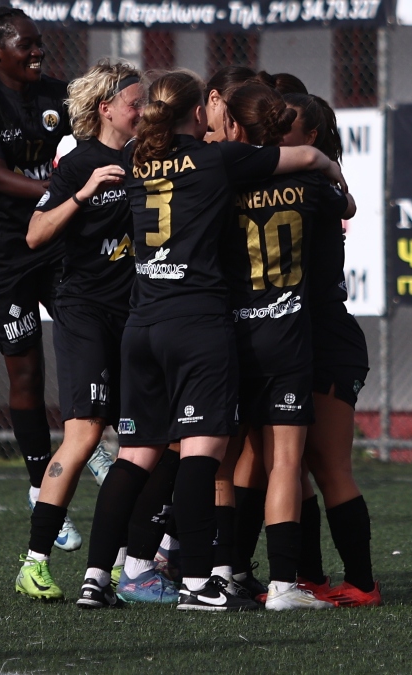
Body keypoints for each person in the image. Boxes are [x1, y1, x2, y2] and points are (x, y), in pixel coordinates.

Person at [73, 69, 347, 611]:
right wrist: (330, 167)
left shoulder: (135, 157)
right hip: (196, 324)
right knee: (203, 454)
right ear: (198, 112)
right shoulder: (216, 158)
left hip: (141, 324)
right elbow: (303, 159)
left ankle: (96, 578)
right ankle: (200, 583)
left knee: (135, 455)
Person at [0, 6, 82, 550]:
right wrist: (68, 193)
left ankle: (91, 438)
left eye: (38, 42)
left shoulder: (58, 95)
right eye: (25, 44)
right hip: (2, 254)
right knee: (26, 372)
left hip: (56, 244)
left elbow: (88, 147)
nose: (37, 51)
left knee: (87, 340)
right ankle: (38, 485)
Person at [221, 84, 355, 611]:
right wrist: (326, 169)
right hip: (287, 334)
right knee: (285, 462)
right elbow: (346, 205)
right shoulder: (309, 182)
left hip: (232, 334)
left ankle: (223, 572)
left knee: (230, 460)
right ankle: (283, 584)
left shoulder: (221, 173)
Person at [12, 61, 143, 600]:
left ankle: (124, 564)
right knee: (85, 432)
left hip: (136, 314)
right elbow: (35, 234)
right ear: (106, 108)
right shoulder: (79, 163)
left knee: (140, 438)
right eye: (135, 103)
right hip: (84, 311)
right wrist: (83, 192)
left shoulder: (147, 157)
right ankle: (34, 563)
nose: (143, 111)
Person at [283, 92, 381, 607]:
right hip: (297, 337)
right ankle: (310, 578)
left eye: (286, 122)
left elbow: (346, 204)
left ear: (312, 135)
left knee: (329, 465)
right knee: (294, 465)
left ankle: (362, 583)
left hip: (328, 340)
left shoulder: (314, 184)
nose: (275, 127)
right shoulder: (299, 177)